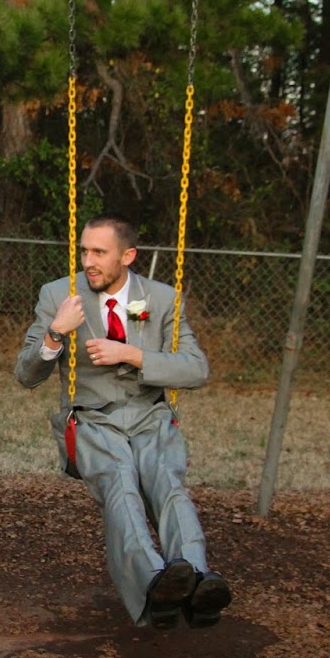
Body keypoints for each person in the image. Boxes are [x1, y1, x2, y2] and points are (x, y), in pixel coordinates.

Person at [14, 214, 231, 630]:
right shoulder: (60, 294)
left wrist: (133, 355)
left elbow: (196, 369)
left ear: (128, 256)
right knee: (120, 485)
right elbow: (26, 374)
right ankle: (154, 584)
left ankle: (197, 581)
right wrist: (56, 334)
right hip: (92, 419)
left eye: (99, 252)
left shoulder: (162, 299)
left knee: (167, 483)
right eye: (84, 251)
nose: (88, 262)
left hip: (150, 414)